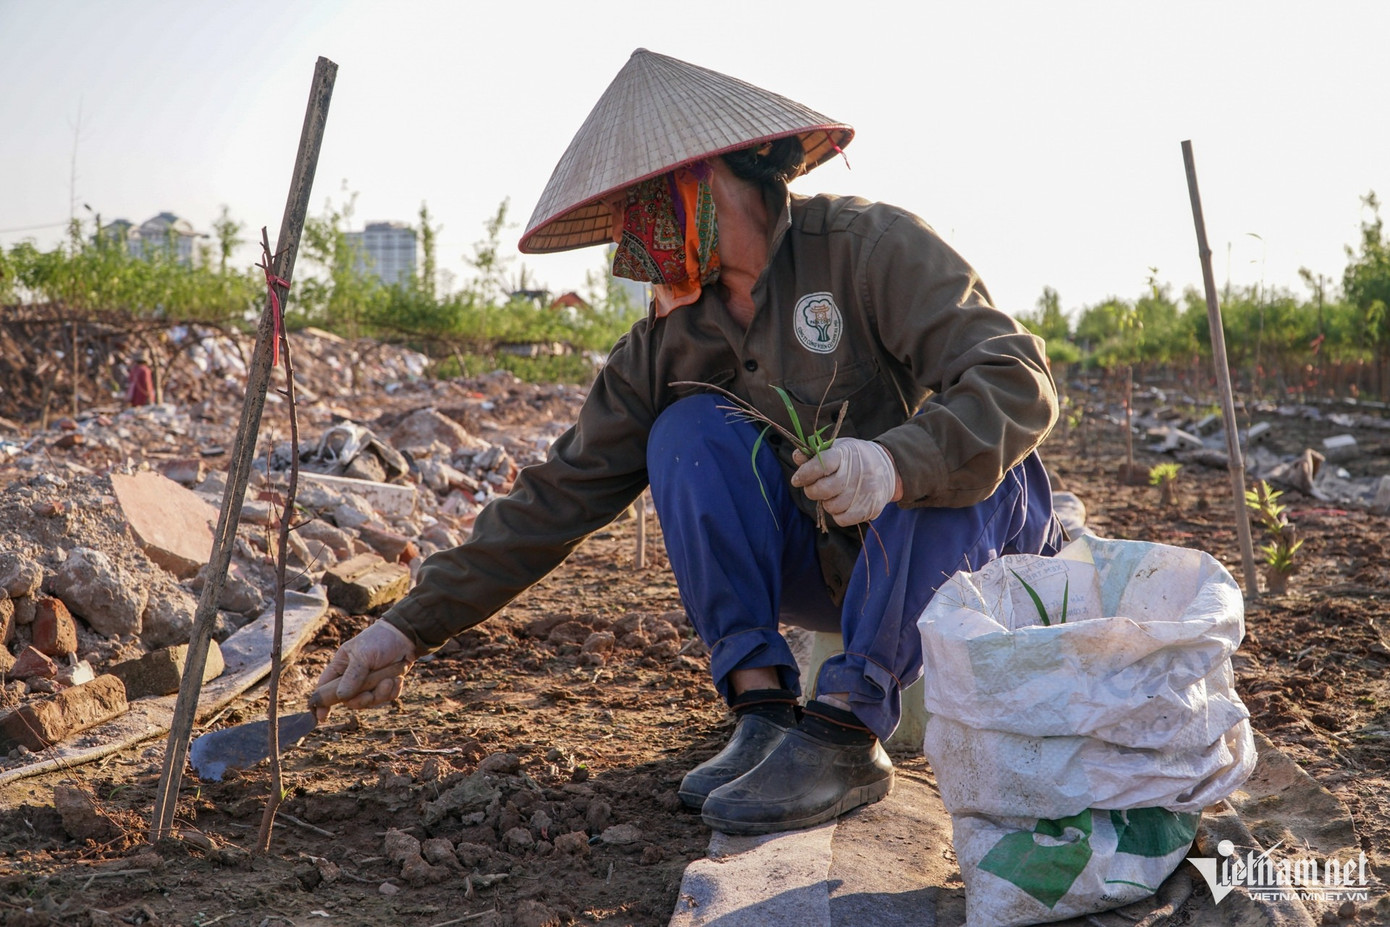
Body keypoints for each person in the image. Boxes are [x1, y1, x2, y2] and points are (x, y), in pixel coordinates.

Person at [315, 49, 1062, 836]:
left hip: (959, 554)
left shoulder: (866, 247)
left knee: (945, 465)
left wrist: (893, 464)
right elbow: (558, 493)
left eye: (644, 207)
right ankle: (765, 714)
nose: (630, 244)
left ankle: (845, 732)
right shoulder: (669, 340)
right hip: (835, 568)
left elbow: (1018, 380)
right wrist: (407, 625)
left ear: (703, 179)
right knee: (686, 432)